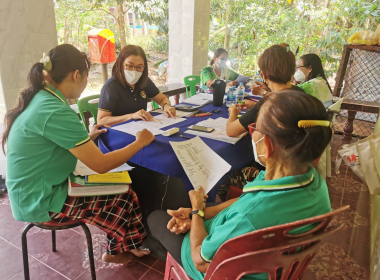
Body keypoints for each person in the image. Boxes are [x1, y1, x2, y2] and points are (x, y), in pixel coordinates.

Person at [148, 90, 332, 280]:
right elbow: (245, 202)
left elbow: (200, 260)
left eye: (254, 129)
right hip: (270, 263)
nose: (252, 134)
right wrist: (201, 214)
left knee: (156, 218)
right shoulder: (315, 183)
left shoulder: (250, 215)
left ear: (267, 144)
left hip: (222, 270)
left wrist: (195, 211)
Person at [3, 44, 155, 266]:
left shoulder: (43, 98)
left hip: (32, 191)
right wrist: (140, 142)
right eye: (85, 77)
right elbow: (101, 164)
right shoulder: (56, 109)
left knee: (125, 194)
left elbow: (53, 143)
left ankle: (126, 245)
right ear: (76, 75)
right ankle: (115, 251)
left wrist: (88, 138)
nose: (85, 83)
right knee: (124, 196)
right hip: (40, 200)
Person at [226, 44, 305, 137]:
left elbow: (231, 131)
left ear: (264, 75)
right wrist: (254, 106)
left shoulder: (269, 102)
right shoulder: (300, 93)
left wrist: (233, 113)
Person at [98, 45, 176, 126]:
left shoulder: (144, 81)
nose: (134, 70)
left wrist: (166, 106)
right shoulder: (111, 87)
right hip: (117, 130)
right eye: (130, 66)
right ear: (120, 63)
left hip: (140, 127)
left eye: (139, 67)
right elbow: (101, 120)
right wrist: (131, 116)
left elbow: (162, 99)